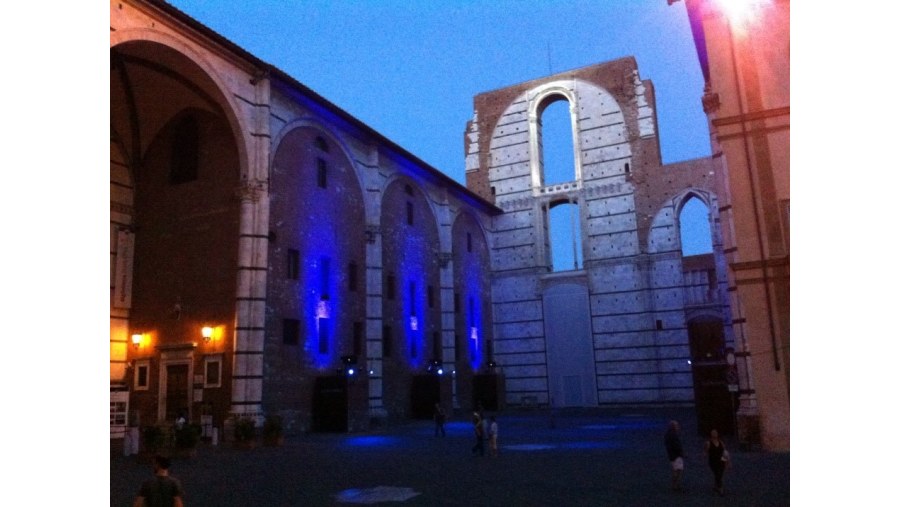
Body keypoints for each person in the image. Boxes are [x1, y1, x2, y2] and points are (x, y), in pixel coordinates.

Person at [704, 428, 729, 496]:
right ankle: (720, 489)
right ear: (711, 434)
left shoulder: (721, 442)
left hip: (721, 461)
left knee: (720, 474)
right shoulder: (708, 443)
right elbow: (705, 452)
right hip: (713, 462)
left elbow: (725, 452)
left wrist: (727, 461)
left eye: (715, 433)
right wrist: (704, 455)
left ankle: (716, 486)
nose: (714, 434)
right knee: (718, 474)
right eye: (713, 433)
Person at [664, 420, 684, 492]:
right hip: (676, 455)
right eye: (677, 425)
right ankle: (675, 485)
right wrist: (681, 453)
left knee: (675, 470)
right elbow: (676, 446)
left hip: (672, 455)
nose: (678, 427)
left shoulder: (667, 435)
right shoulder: (674, 435)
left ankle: (675, 485)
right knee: (678, 471)